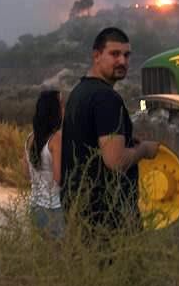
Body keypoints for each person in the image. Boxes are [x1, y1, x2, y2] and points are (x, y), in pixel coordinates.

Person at [61, 27, 159, 233]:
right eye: (114, 54)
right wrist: (145, 150)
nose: (122, 61)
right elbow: (116, 161)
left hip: (79, 210)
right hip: (107, 219)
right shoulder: (106, 98)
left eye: (126, 55)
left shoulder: (79, 92)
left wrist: (128, 142)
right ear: (96, 56)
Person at [24, 90, 65, 239]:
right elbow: (59, 178)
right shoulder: (56, 139)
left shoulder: (30, 138)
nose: (64, 109)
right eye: (61, 105)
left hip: (35, 207)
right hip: (54, 210)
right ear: (53, 110)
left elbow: (26, 173)